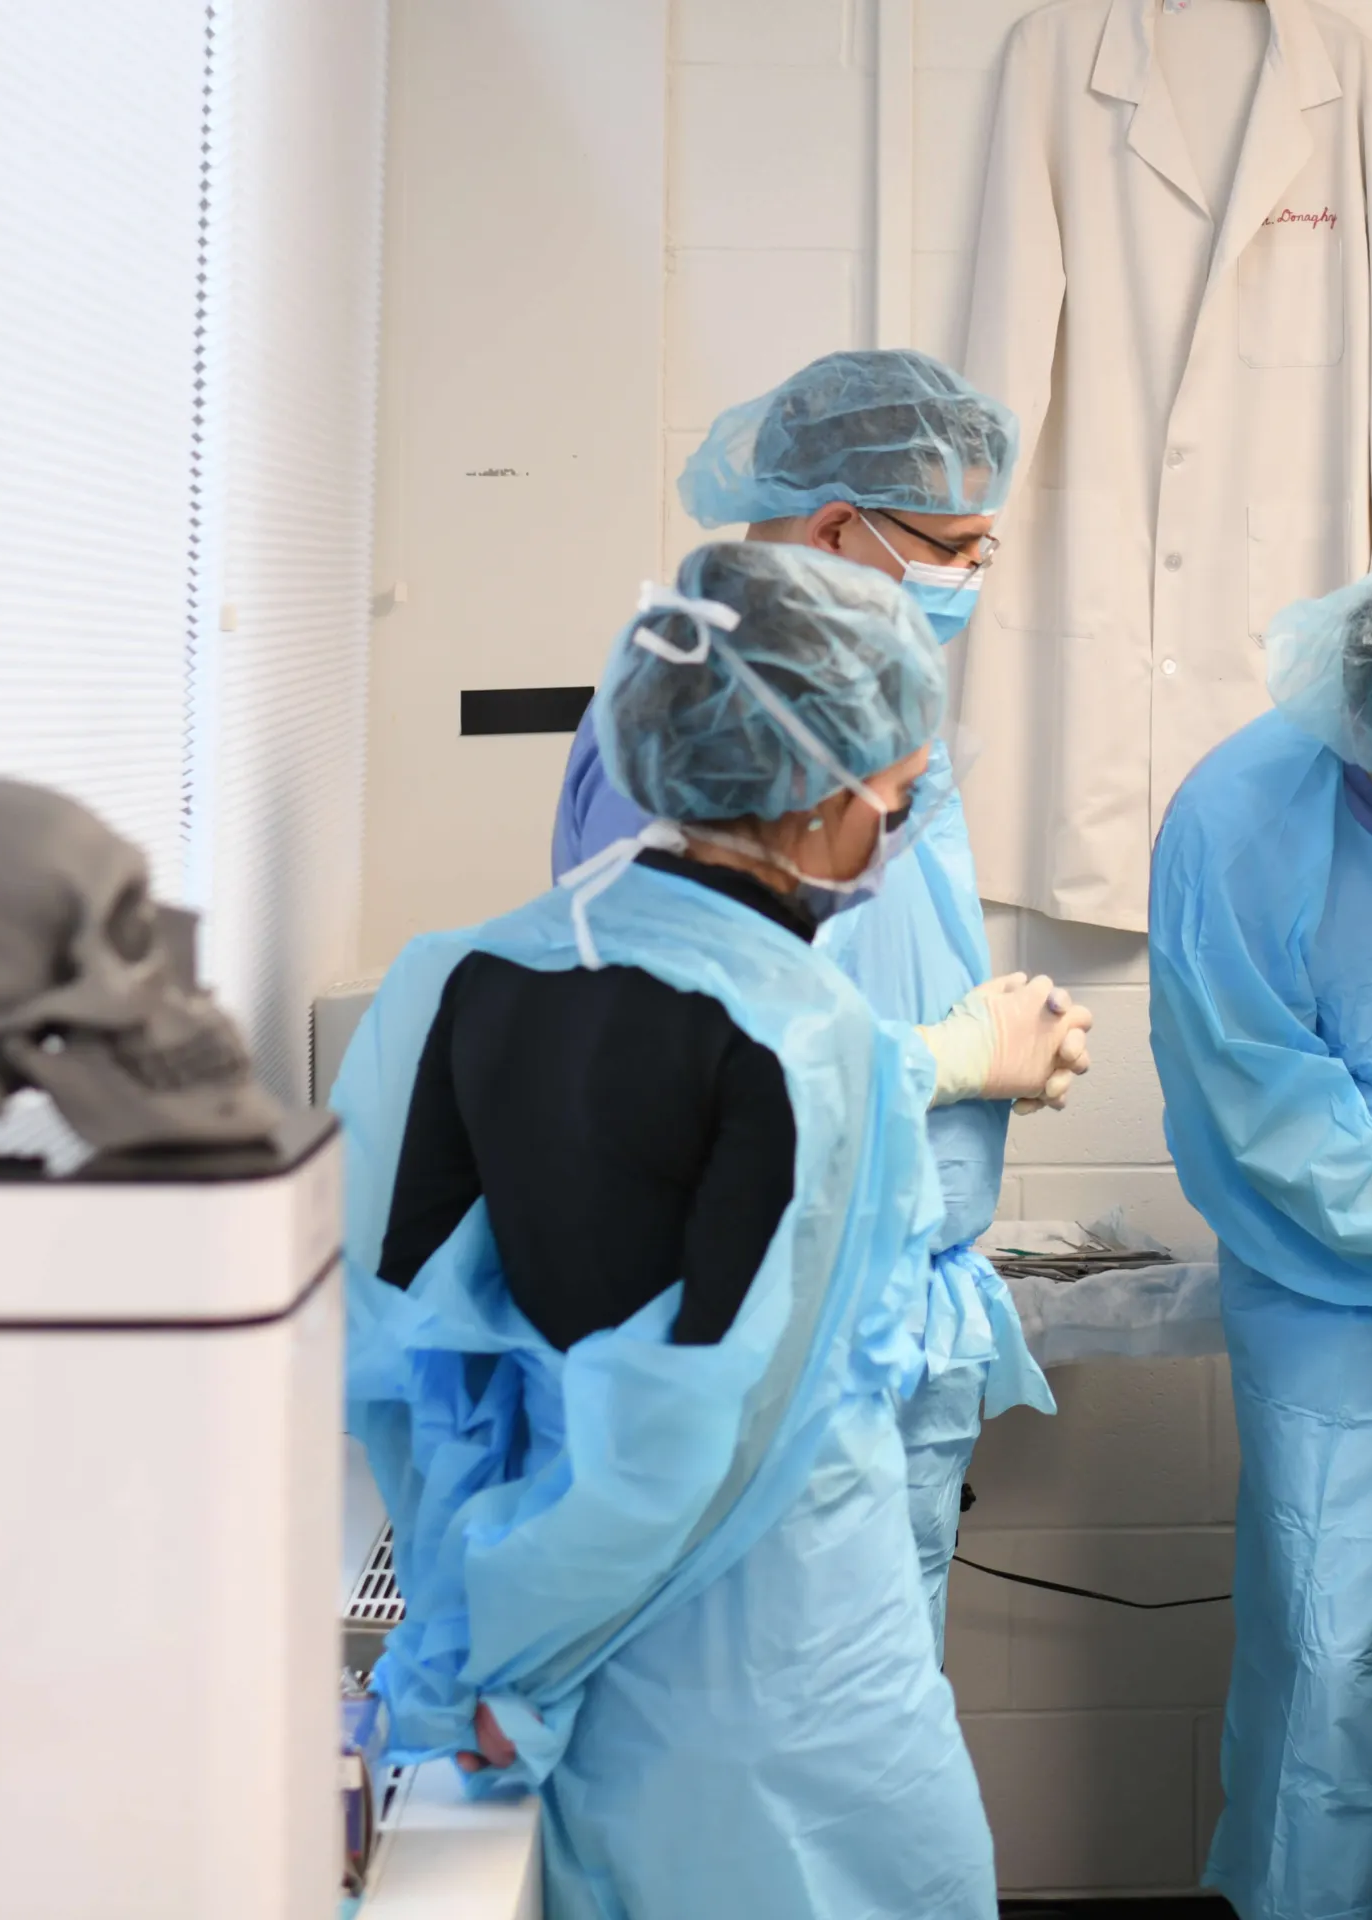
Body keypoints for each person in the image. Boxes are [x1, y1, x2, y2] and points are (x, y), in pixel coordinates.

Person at [337, 541, 1091, 1920]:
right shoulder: (811, 1040)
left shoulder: (449, 979)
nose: (897, 827)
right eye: (897, 796)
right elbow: (695, 1429)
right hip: (772, 1673)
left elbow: (406, 1371)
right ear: (814, 799)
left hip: (547, 1657)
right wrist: (517, 1662)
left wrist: (463, 1647)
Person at [555, 348, 1068, 1654]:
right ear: (838, 525)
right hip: (783, 1313)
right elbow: (692, 1071)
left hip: (875, 1282)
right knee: (803, 1729)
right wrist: (949, 1062)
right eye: (954, 546)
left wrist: (993, 1041)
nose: (968, 580)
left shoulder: (848, 694)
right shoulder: (708, 718)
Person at [1149, 552, 1372, 1920]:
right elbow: (1269, 1115)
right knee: (1345, 1651)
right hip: (1346, 1295)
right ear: (1369, 729)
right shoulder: (1239, 818)